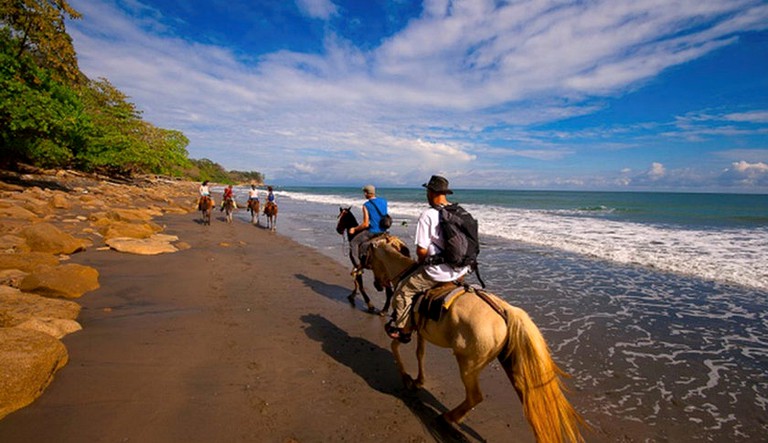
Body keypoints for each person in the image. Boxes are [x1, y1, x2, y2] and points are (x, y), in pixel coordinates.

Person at [385, 175, 470, 343]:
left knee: (403, 292)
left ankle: (404, 330)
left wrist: (422, 262)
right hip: (461, 268)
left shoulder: (428, 214)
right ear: (445, 193)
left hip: (438, 272)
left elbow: (421, 250)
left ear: (431, 192)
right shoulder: (460, 212)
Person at [348, 184, 389, 275]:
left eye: (365, 193)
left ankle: (358, 266)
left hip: (373, 231)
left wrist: (354, 229)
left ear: (367, 193)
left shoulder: (366, 205)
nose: (364, 194)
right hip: (384, 231)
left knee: (354, 242)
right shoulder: (384, 201)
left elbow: (365, 224)